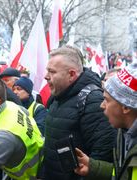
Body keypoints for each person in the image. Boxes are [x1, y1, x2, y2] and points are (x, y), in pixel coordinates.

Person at [43, 45, 116, 179]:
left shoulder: (92, 101)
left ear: (71, 74)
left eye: (52, 72)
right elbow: (50, 146)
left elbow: (101, 155)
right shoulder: (56, 97)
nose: (46, 76)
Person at [74, 63, 137, 180]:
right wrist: (92, 167)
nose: (102, 105)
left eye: (106, 100)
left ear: (126, 107)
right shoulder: (123, 133)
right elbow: (122, 173)